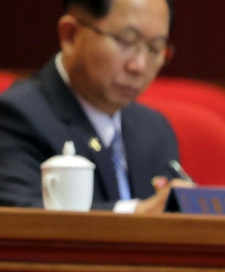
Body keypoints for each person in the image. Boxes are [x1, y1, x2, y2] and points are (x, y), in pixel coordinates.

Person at [0, 0, 181, 212]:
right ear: (71, 35)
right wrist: (136, 214)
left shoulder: (155, 130)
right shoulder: (15, 116)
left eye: (155, 48)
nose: (139, 66)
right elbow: (22, 216)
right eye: (126, 41)